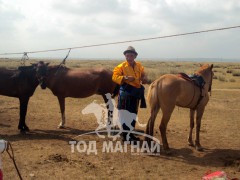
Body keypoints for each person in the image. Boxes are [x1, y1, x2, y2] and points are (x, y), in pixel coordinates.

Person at [112, 46, 150, 143]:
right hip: (126, 91)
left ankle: (130, 133)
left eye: (131, 55)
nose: (129, 57)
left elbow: (143, 75)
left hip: (136, 92)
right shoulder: (120, 67)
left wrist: (144, 78)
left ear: (135, 56)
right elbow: (114, 77)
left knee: (133, 113)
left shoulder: (139, 66)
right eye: (127, 55)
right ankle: (125, 135)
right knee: (125, 114)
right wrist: (125, 78)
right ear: (125, 56)